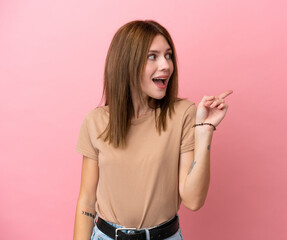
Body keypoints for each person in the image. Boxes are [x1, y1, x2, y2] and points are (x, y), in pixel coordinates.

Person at [73, 20, 232, 240]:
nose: (166, 65)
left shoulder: (183, 113)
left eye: (168, 55)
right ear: (127, 63)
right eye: (152, 56)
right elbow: (87, 200)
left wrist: (205, 130)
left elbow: (193, 200)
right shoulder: (95, 121)